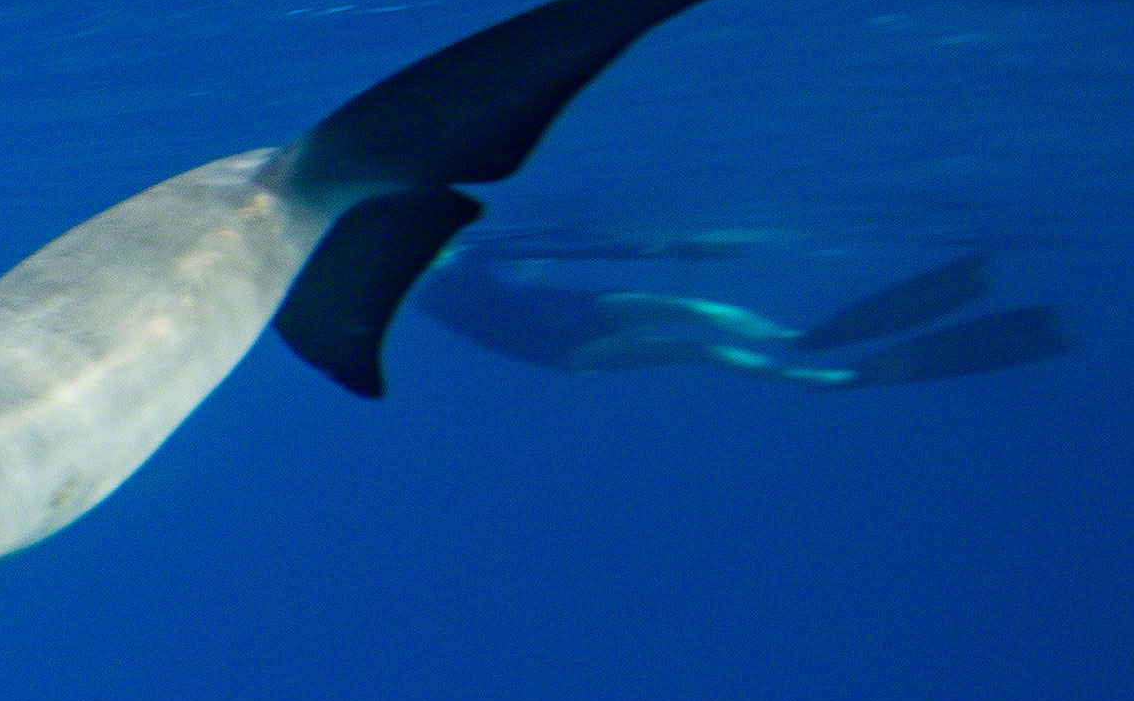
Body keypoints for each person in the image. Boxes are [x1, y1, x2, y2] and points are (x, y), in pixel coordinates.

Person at [415, 237, 1071, 388]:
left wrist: (673, 246)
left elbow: (563, 245)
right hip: (561, 351)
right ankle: (825, 379)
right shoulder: (418, 288)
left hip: (577, 312)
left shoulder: (465, 250)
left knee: (688, 306)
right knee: (697, 345)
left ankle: (800, 339)